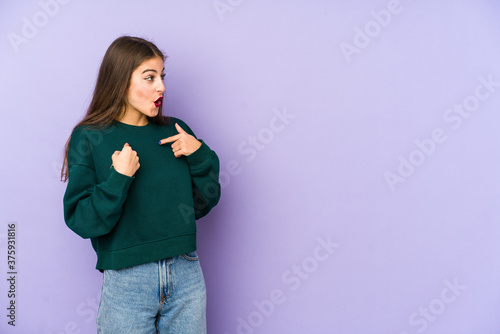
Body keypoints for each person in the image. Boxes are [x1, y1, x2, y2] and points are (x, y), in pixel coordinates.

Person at [61, 36, 220, 333]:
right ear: (120, 81)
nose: (160, 86)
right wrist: (119, 179)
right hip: (127, 280)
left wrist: (200, 155)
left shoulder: (176, 130)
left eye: (161, 77)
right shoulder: (90, 137)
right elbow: (82, 220)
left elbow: (199, 205)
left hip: (186, 273)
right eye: (149, 77)